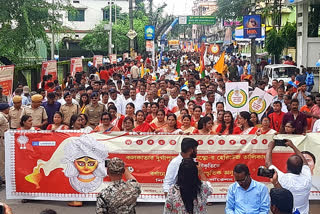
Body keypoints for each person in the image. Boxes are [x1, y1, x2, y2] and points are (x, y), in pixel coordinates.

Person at [266, 140, 312, 214]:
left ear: (287, 167)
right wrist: (293, 146)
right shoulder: (307, 178)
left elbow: (268, 163)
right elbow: (305, 162)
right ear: (301, 168)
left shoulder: (283, 179)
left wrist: (270, 147)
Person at [0, 103, 9, 183]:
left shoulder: (3, 116)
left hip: (3, 138)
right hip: (1, 139)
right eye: (8, 108)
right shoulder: (1, 116)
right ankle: (2, 178)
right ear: (5, 109)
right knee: (2, 160)